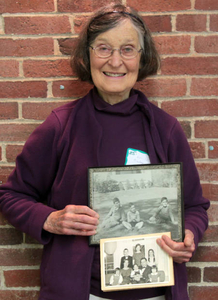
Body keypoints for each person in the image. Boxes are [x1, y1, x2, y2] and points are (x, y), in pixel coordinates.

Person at [0, 3, 209, 300]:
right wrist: (49, 219)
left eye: (127, 49)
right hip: (80, 293)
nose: (115, 61)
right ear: (87, 56)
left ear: (142, 57)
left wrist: (189, 234)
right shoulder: (60, 125)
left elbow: (195, 207)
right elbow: (11, 195)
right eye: (103, 48)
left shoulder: (166, 128)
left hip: (156, 293)